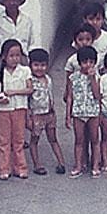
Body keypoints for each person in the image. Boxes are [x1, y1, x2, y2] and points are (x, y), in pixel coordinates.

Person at [0, 39, 33, 180]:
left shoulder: (25, 71)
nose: (15, 59)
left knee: (19, 139)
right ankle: (4, 168)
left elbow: (30, 89)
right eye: (11, 56)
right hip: (3, 110)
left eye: (17, 55)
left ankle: (20, 167)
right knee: (4, 140)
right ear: (4, 57)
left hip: (19, 108)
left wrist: (13, 92)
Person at [27, 48, 66, 176]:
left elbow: (50, 96)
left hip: (50, 114)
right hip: (36, 115)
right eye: (36, 65)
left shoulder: (48, 79)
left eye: (43, 65)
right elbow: (27, 101)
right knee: (34, 140)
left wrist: (53, 111)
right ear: (30, 65)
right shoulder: (29, 81)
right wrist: (28, 118)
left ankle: (61, 163)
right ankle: (37, 165)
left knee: (53, 138)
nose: (40, 68)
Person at [65, 46, 102, 179]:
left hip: (93, 112)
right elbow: (70, 97)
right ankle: (78, 165)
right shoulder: (73, 77)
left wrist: (92, 79)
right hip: (78, 112)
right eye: (85, 62)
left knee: (95, 139)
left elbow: (98, 96)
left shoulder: (97, 77)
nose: (88, 65)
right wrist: (67, 116)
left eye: (91, 62)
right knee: (79, 140)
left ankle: (95, 165)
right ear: (79, 63)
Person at [0, 0, 36, 72]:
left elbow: (31, 45)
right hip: (3, 61)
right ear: (3, 2)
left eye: (14, 0)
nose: (11, 3)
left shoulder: (27, 20)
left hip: (22, 60)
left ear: (19, 2)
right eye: (8, 0)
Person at [80, 2, 107, 72]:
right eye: (91, 19)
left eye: (98, 19)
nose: (94, 22)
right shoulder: (81, 38)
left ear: (103, 20)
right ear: (84, 20)